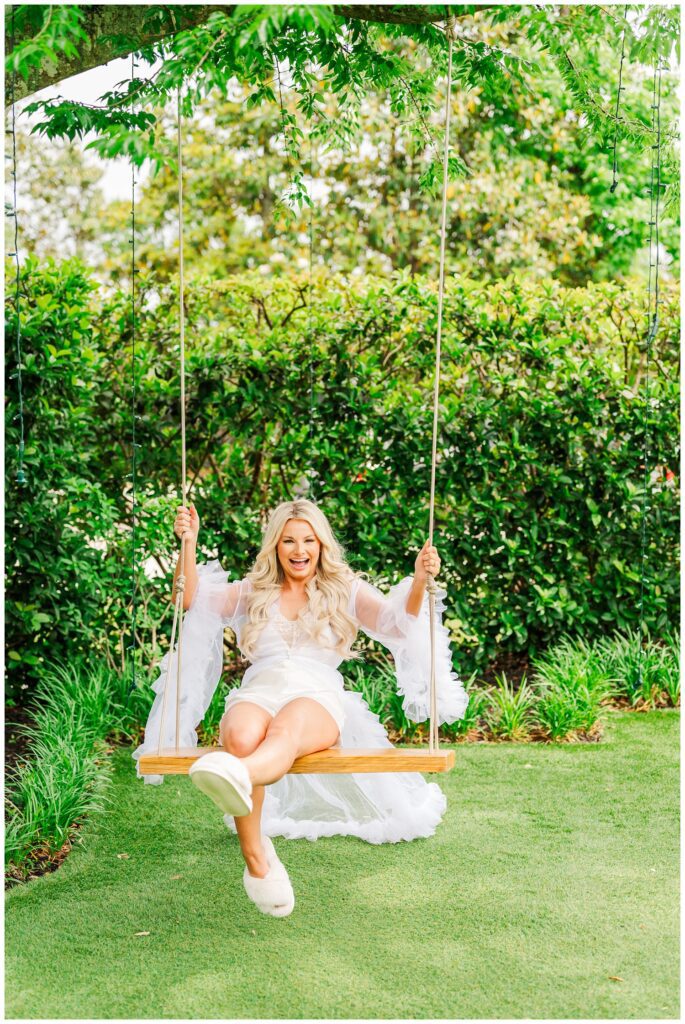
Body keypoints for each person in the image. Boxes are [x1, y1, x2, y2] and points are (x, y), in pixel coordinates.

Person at [132, 498, 468, 917]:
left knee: (284, 733)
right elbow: (190, 602)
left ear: (321, 545)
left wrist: (419, 581)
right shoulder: (255, 589)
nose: (299, 549)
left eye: (308, 540)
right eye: (289, 540)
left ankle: (235, 780)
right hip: (260, 688)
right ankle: (257, 859)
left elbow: (396, 625)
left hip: (316, 694)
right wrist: (188, 544)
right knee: (237, 735)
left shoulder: (344, 589)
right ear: (276, 546)